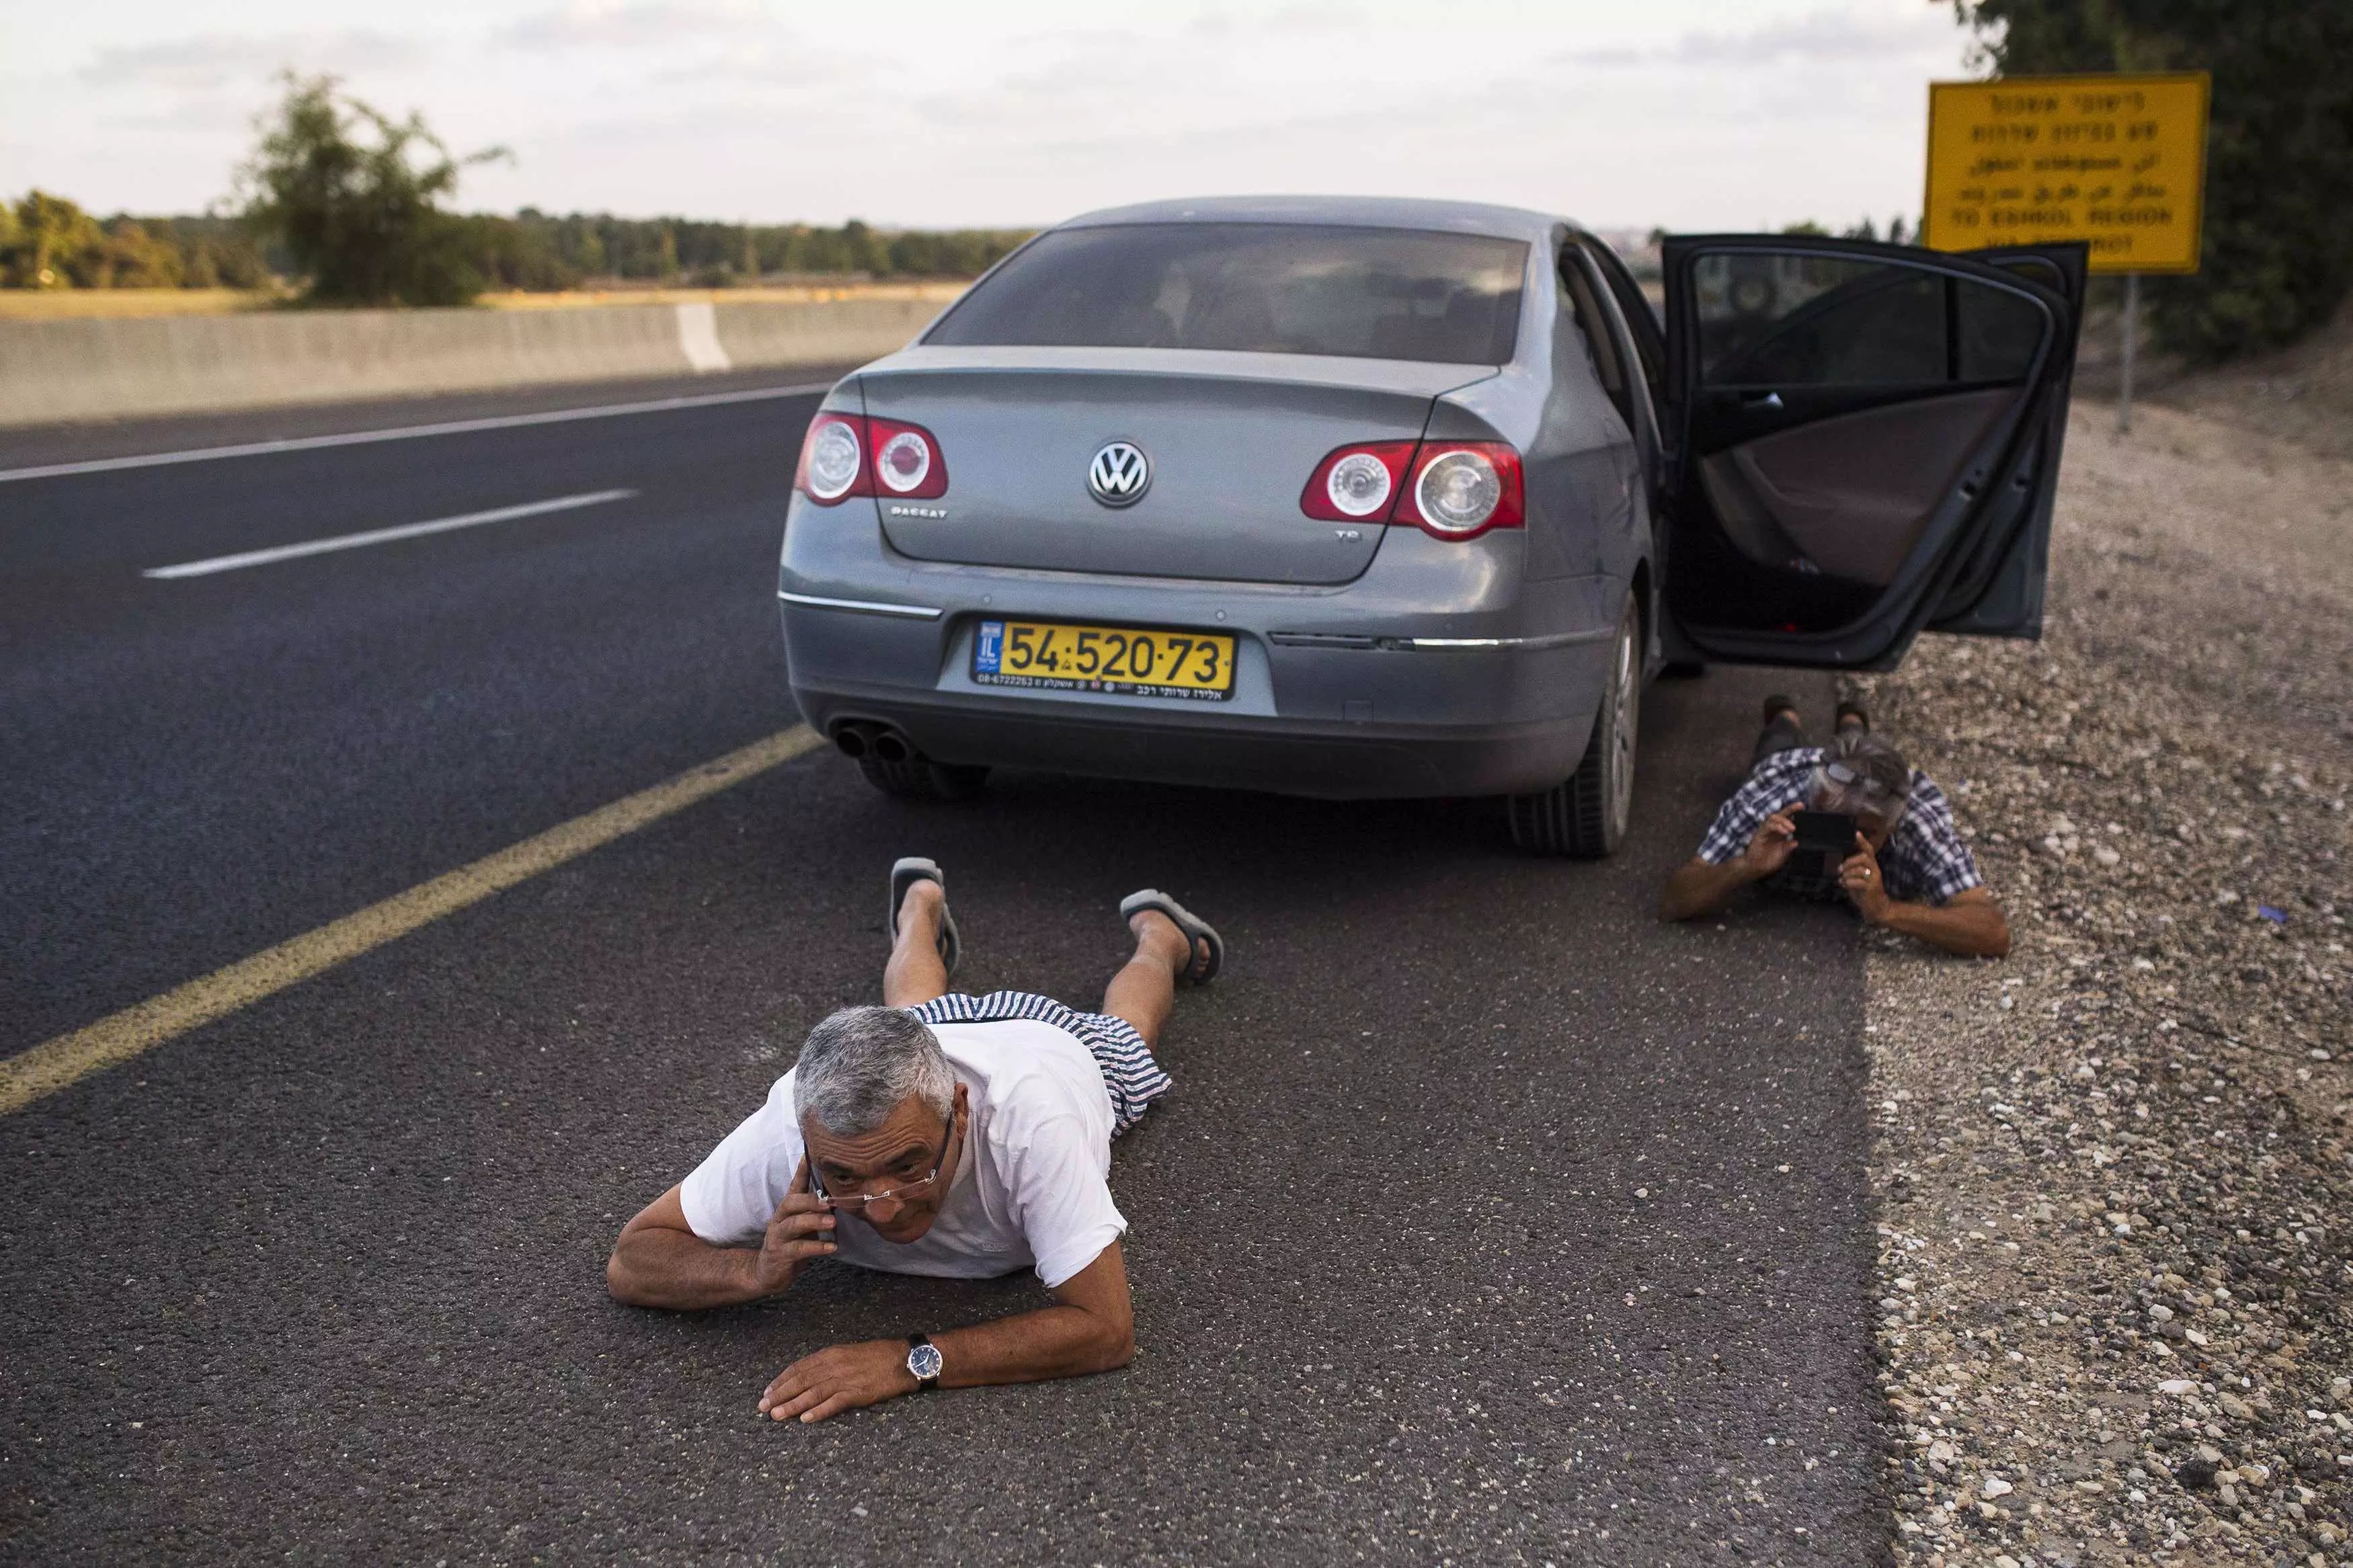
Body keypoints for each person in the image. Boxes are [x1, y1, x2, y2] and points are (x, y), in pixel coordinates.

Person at [606, 857, 1223, 1423]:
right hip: (925, 1039)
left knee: (1128, 1030)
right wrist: (753, 1271)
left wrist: (904, 1362)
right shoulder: (790, 1127)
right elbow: (633, 1259)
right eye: (843, 1176)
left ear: (959, 1107)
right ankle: (919, 905)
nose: (882, 1206)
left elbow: (1106, 1329)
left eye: (908, 1164)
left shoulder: (1032, 1124)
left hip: (1054, 1045)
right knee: (912, 1013)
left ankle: (1160, 938)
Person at [1659, 697, 2010, 958]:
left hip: (1863, 779)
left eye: (1864, 833)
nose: (1844, 845)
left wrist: (1888, 911)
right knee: (1778, 741)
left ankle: (1853, 724)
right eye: (1831, 825)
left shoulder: (1916, 821)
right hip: (1790, 762)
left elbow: (1993, 932)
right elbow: (1674, 902)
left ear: (1892, 825)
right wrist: (1743, 867)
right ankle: (1787, 717)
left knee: (1859, 751)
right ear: (1815, 803)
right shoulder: (1774, 798)